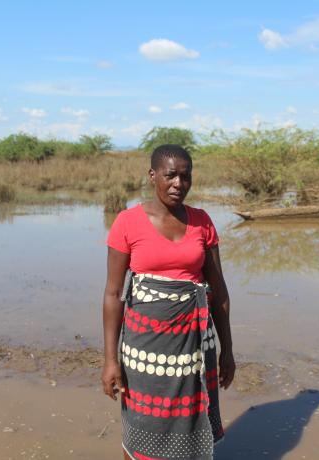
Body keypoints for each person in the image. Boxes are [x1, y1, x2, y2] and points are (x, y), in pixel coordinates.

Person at [101, 144, 235, 460]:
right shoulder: (127, 222)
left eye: (185, 177)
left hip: (195, 349)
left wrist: (227, 350)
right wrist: (109, 359)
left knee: (190, 424)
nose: (178, 184)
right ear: (152, 176)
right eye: (170, 175)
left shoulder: (203, 222)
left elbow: (219, 292)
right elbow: (112, 294)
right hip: (143, 349)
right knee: (142, 425)